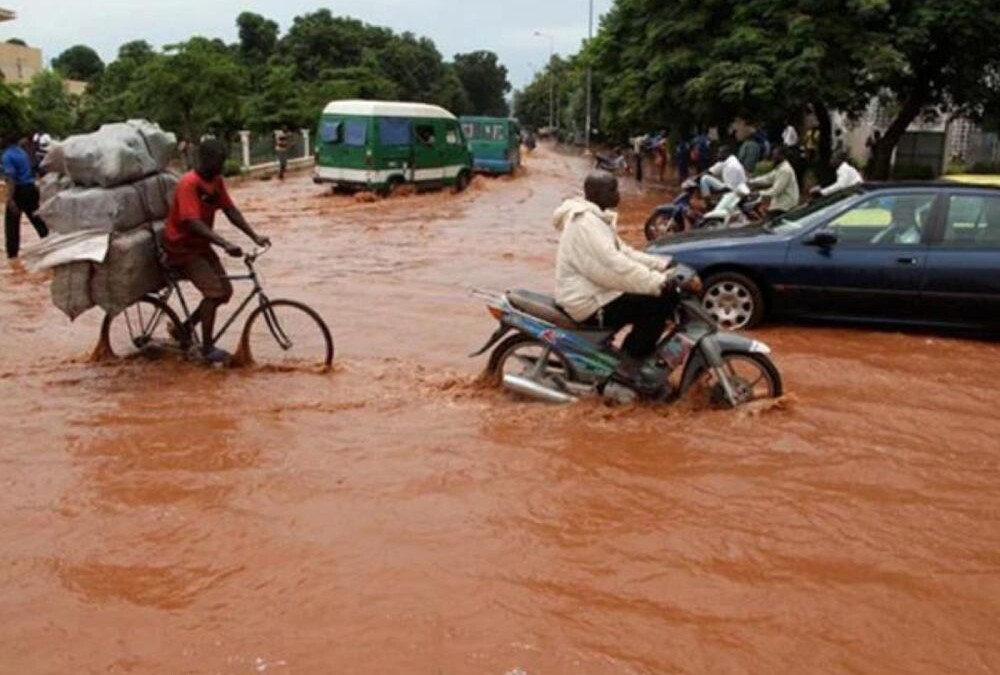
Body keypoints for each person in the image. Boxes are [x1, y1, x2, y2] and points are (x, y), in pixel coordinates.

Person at [553, 171, 678, 390]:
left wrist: (661, 264)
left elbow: (624, 252)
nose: (618, 194)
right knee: (657, 303)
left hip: (597, 293)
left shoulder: (597, 219)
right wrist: (657, 283)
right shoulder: (585, 224)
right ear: (595, 193)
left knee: (655, 298)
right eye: (613, 189)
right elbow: (614, 268)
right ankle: (628, 367)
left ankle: (629, 358)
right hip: (588, 302)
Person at [163, 139, 271, 363]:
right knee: (214, 293)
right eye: (219, 162)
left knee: (226, 292)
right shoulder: (189, 184)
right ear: (206, 160)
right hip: (182, 247)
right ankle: (207, 349)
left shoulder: (216, 181)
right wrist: (225, 244)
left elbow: (231, 211)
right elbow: (193, 222)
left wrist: (254, 236)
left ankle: (184, 328)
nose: (222, 166)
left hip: (201, 246)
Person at [3, 132, 49, 259]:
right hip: (30, 189)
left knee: (12, 225)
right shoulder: (22, 152)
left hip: (18, 190)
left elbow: (10, 179)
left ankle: (12, 256)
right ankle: (49, 243)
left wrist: (10, 198)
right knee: (37, 220)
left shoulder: (7, 156)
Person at [749, 146, 800, 218]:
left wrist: (759, 193)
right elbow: (768, 178)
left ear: (782, 156)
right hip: (780, 202)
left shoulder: (784, 170)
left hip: (785, 205)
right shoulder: (780, 167)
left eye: (775, 154)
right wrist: (751, 181)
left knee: (770, 222)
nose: (773, 157)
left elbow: (776, 190)